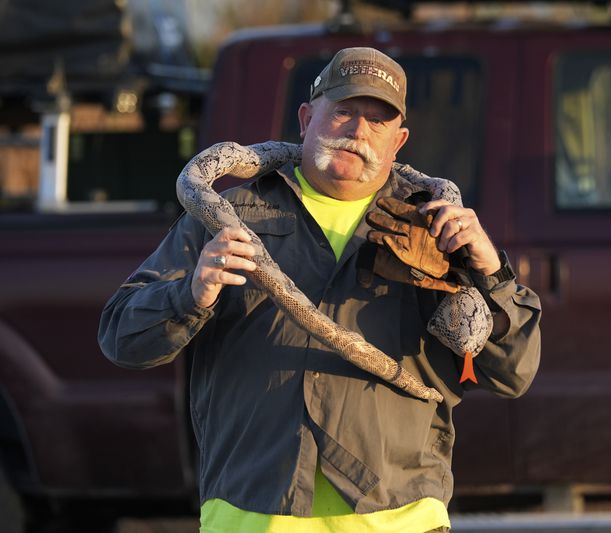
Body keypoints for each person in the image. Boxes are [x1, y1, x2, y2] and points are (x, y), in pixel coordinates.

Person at [99, 47, 541, 532]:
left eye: (378, 121)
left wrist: (492, 270)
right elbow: (122, 338)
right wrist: (191, 295)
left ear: (400, 142)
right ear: (307, 118)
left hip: (398, 519)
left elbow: (512, 373)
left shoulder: (437, 229)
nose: (358, 132)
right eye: (344, 112)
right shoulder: (227, 214)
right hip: (251, 518)